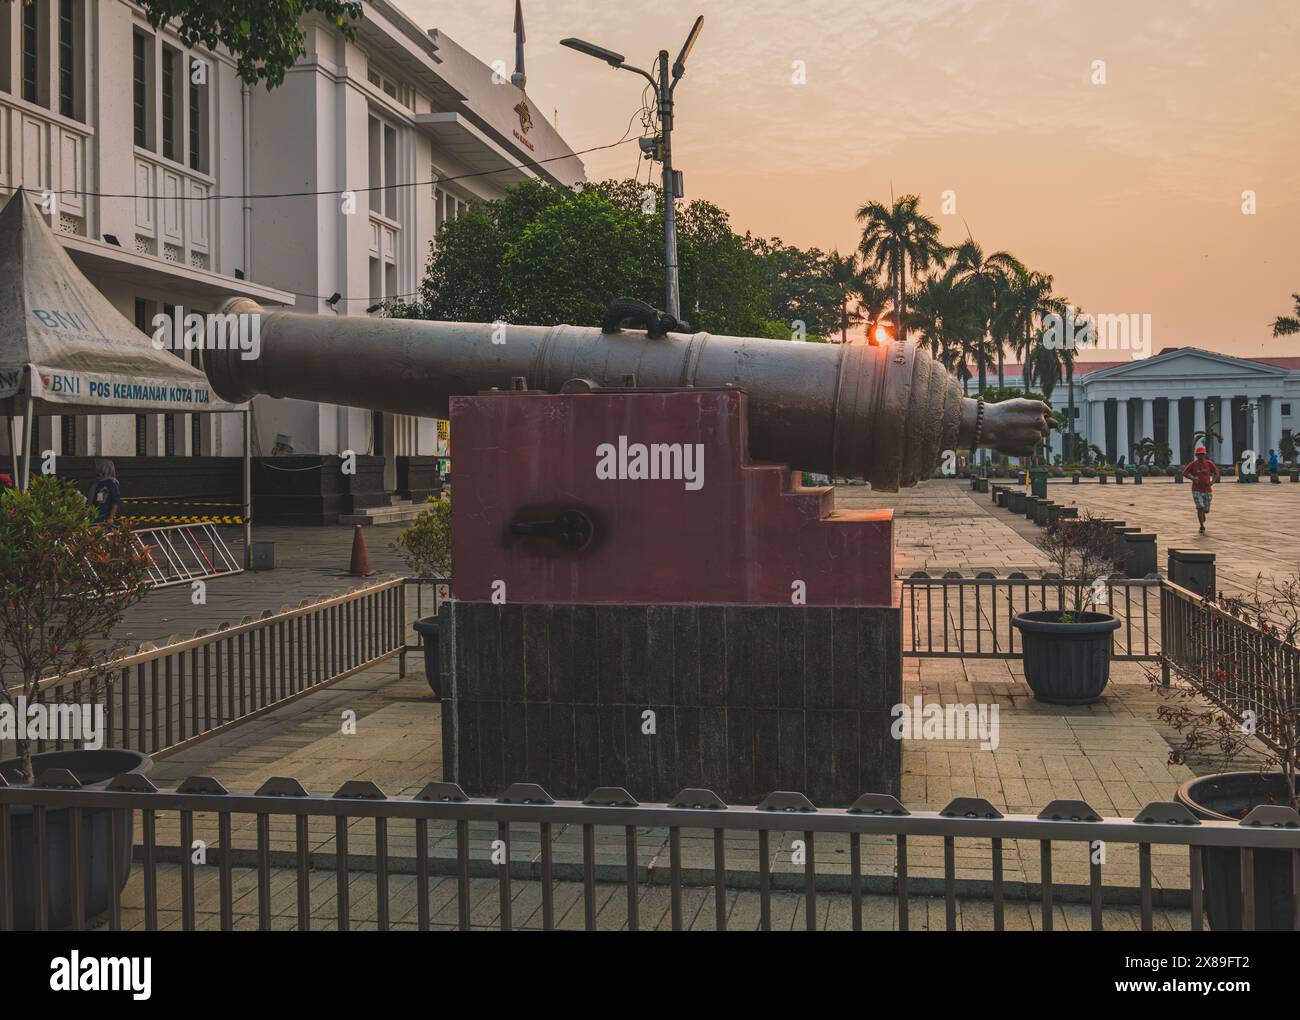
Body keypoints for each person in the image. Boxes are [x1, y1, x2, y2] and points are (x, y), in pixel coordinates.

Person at [1181, 445, 1220, 534]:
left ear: (1205, 455)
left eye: (1202, 454)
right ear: (1196, 455)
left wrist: (1212, 482)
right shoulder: (1193, 464)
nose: (1201, 456)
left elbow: (1216, 473)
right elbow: (1184, 473)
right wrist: (1193, 478)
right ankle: (1202, 526)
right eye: (1199, 454)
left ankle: (1203, 514)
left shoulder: (1209, 463)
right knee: (1200, 507)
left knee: (1206, 510)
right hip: (1196, 489)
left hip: (1207, 489)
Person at [89, 459, 122, 524]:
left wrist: (111, 517)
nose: (94, 469)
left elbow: (115, 501)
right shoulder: (97, 483)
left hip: (105, 517)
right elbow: (93, 500)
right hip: (95, 516)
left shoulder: (112, 483)